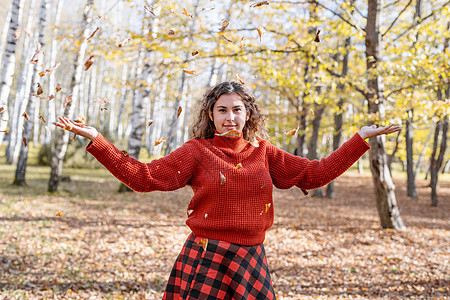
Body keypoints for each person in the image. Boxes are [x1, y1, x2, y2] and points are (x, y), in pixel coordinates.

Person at [53, 81, 401, 299]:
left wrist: (360, 140)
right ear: (211, 114)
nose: (230, 117)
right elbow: (143, 177)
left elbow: (315, 173)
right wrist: (98, 141)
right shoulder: (196, 151)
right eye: (222, 110)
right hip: (206, 256)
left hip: (250, 258)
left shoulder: (265, 152)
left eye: (237, 110)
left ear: (248, 115)